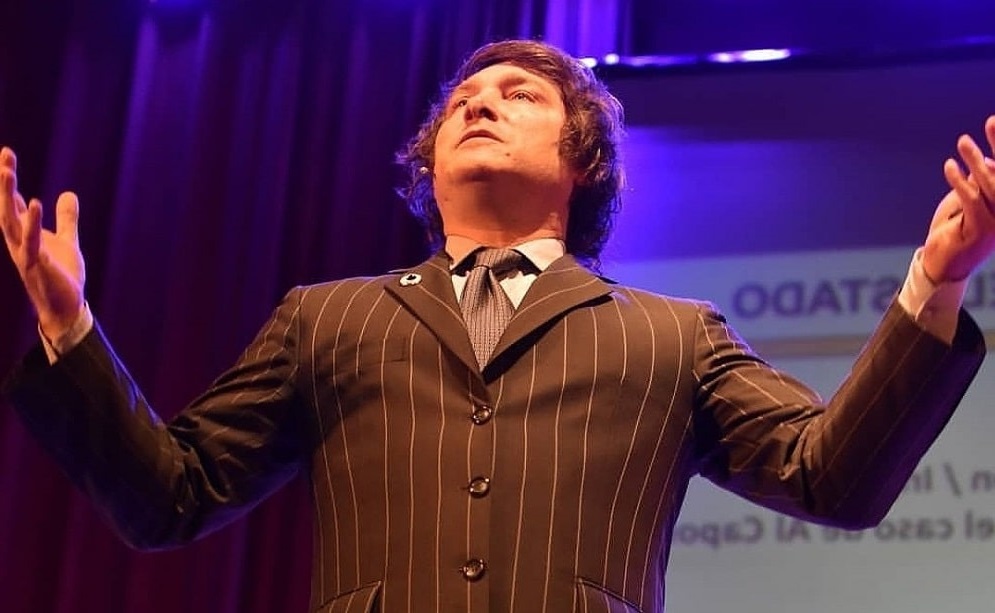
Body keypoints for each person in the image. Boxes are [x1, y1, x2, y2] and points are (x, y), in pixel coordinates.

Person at [1, 39, 994, 613]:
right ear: (427, 166)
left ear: (583, 161)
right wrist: (69, 322)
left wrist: (936, 280)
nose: (480, 106)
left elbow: (830, 475)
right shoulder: (326, 317)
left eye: (517, 95)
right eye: (462, 103)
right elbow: (169, 496)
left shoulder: (672, 334)